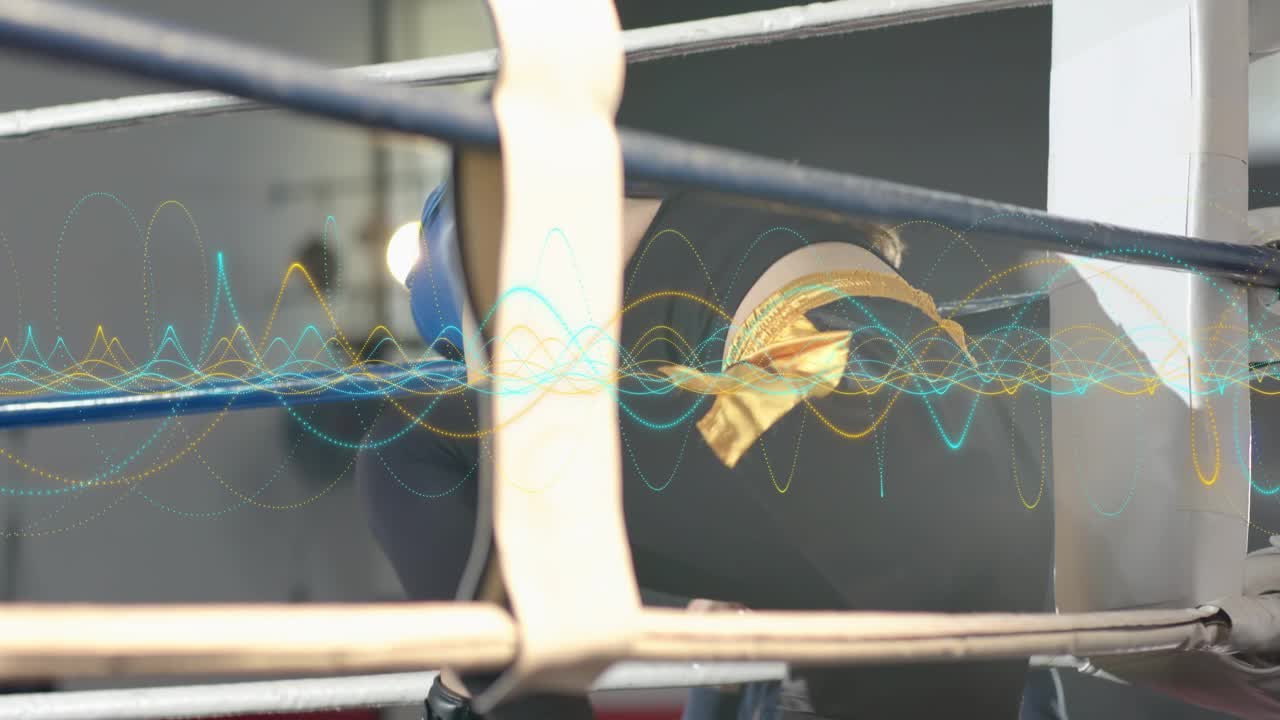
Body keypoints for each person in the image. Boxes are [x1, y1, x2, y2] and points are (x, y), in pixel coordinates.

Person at [355, 180, 1055, 719]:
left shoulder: (638, 268)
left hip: (853, 436)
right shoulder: (718, 233)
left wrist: (478, 669)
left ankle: (491, 682)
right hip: (977, 526)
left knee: (407, 439)